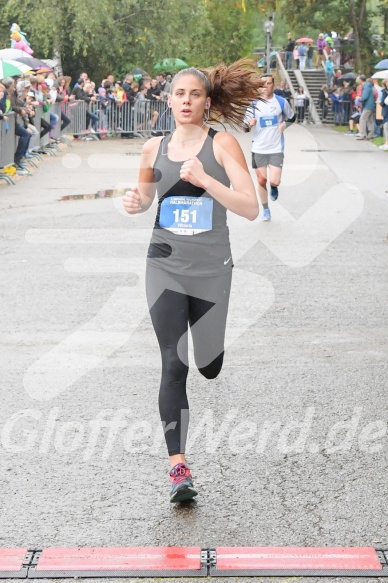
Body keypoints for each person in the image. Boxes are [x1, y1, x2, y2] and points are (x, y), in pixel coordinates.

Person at [122, 60, 263, 503]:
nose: (186, 101)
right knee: (173, 362)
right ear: (168, 100)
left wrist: (205, 180)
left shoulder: (222, 144)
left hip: (212, 269)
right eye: (179, 94)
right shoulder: (152, 148)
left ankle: (212, 354)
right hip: (163, 264)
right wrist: (134, 202)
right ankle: (177, 468)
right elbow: (146, 197)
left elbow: (249, 207)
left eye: (194, 94)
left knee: (208, 363)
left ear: (207, 101)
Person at [244, 74, 295, 222]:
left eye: (269, 83)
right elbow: (244, 127)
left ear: (273, 85)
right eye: (263, 84)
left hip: (276, 147)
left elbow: (292, 117)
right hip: (259, 147)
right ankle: (265, 209)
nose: (266, 86)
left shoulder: (281, 102)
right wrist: (249, 124)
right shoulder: (253, 104)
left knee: (274, 180)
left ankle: (274, 187)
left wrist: (285, 125)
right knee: (261, 180)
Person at [356, 75, 375, 140]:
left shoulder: (366, 87)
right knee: (370, 120)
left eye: (358, 79)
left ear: (361, 80)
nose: (357, 81)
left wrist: (359, 99)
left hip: (367, 105)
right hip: (370, 105)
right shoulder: (368, 86)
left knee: (362, 119)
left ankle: (363, 134)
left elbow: (365, 97)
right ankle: (371, 134)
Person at [379, 79, 388, 150]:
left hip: (386, 111)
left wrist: (380, 102)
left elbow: (382, 103)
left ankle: (386, 143)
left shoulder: (385, 92)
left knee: (386, 127)